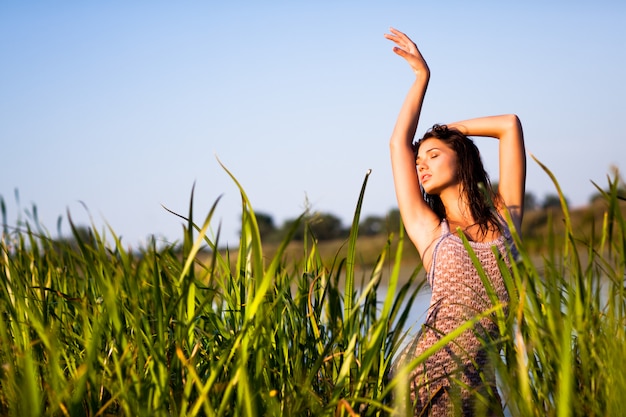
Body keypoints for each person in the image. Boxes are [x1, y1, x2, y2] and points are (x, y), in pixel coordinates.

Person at [384, 28, 526, 416]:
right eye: (419, 162)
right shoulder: (430, 231)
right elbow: (399, 145)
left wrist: (449, 131)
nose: (422, 164)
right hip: (424, 382)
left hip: (479, 388)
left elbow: (509, 125)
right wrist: (421, 78)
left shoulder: (506, 216)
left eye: (432, 154)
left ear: (460, 157)